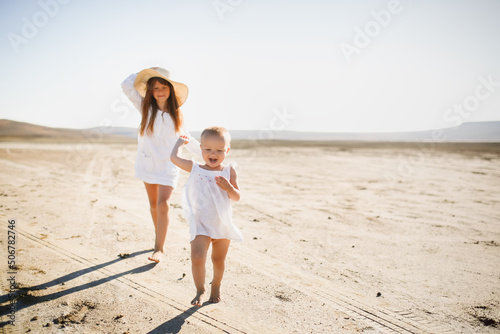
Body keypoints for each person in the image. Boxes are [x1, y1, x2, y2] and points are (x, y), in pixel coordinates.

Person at [121, 67, 201, 263]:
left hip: (168, 166)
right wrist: (148, 71)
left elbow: (187, 139)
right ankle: (160, 235)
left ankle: (160, 248)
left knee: (163, 204)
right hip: (148, 163)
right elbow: (126, 84)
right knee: (153, 205)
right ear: (150, 91)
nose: (160, 91)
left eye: (164, 86)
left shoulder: (177, 114)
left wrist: (208, 153)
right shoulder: (145, 108)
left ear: (171, 90)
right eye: (155, 87)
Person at [171, 127, 243, 306]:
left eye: (219, 150)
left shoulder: (228, 171)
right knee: (197, 256)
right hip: (201, 223)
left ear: (227, 150)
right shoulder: (195, 168)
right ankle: (200, 289)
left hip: (221, 224)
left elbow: (237, 197)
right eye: (208, 149)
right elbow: (174, 158)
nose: (213, 154)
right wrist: (179, 143)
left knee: (218, 260)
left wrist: (229, 188)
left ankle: (216, 285)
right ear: (201, 148)